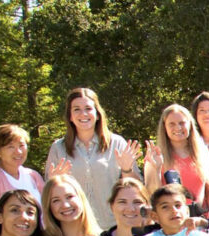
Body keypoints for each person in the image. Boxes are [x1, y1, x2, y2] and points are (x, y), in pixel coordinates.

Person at [45, 88, 141, 228]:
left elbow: (136, 189)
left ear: (97, 114)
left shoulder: (117, 143)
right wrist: (54, 183)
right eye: (76, 109)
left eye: (88, 108)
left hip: (113, 227)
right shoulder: (58, 148)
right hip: (75, 229)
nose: (83, 113)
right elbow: (48, 195)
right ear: (70, 116)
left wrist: (127, 170)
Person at [144, 104, 209, 219]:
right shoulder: (155, 156)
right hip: (170, 223)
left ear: (190, 125)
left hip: (199, 221)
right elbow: (151, 195)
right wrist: (156, 169)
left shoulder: (202, 153)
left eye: (182, 123)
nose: (178, 128)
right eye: (172, 124)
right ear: (165, 127)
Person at [0, 124, 49, 226]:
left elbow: (48, 208)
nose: (18, 151)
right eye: (10, 147)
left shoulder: (33, 176)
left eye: (21, 145)